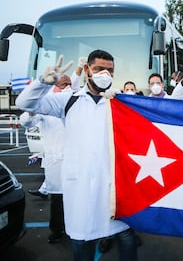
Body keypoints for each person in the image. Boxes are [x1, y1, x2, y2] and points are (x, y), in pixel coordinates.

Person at [16, 50, 137, 260]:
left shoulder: (119, 103)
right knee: (82, 243)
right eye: (100, 69)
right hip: (81, 190)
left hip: (114, 191)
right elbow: (24, 104)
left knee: (126, 238)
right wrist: (43, 82)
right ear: (88, 70)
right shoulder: (68, 101)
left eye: (110, 71)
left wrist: (122, 100)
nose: (105, 74)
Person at [20, 74, 74, 244]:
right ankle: (57, 230)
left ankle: (75, 228)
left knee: (76, 197)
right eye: (63, 84)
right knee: (57, 199)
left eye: (69, 84)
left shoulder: (74, 103)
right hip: (56, 160)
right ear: (54, 87)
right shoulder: (46, 106)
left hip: (75, 160)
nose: (66, 87)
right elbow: (27, 122)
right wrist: (31, 110)